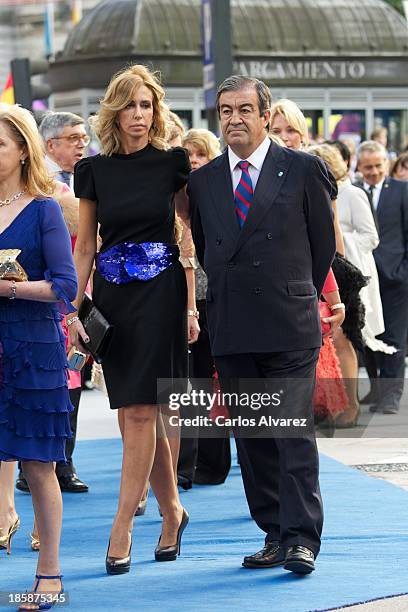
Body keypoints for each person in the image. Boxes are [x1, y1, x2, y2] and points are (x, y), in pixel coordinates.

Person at [188, 76, 337, 574]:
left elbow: (321, 247)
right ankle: (274, 532)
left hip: (289, 323)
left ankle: (301, 539)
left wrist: (296, 290)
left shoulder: (303, 168)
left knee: (291, 432)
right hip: (232, 328)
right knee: (253, 439)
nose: (235, 118)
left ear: (266, 114)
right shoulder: (204, 181)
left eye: (245, 109)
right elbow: (211, 245)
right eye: (226, 110)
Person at [70, 64, 189, 574]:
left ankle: (122, 526)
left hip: (161, 297)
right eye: (131, 105)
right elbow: (85, 247)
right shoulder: (94, 171)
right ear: (114, 111)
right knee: (138, 415)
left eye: (148, 105)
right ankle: (172, 513)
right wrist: (71, 307)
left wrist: (195, 302)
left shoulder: (174, 164)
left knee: (143, 413)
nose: (140, 115)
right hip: (114, 300)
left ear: (156, 111)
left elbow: (196, 234)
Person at [0, 104, 77, 606]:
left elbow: (66, 286)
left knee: (39, 464)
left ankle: (49, 570)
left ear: (23, 150)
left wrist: (8, 290)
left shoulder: (44, 208)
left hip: (32, 350)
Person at [15, 111, 89, 495]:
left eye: (83, 137)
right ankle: (39, 465)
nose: (82, 144)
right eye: (73, 137)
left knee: (70, 378)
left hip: (74, 297)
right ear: (47, 145)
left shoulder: (75, 186)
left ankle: (61, 462)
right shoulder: (47, 195)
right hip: (44, 306)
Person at [270, 100, 348, 426]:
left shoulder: (312, 172)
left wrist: (335, 292)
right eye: (277, 130)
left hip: (308, 286)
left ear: (303, 135)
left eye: (291, 131)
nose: (285, 138)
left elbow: (327, 239)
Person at [177, 128, 232, 488]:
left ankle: (215, 462)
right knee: (189, 383)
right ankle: (185, 463)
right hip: (186, 302)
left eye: (201, 155)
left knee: (220, 382)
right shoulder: (176, 195)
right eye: (189, 155)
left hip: (221, 299)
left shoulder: (220, 193)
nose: (195, 161)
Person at [355, 141, 408, 414]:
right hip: (365, 278)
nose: (373, 171)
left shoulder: (401, 190)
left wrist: (403, 271)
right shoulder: (354, 191)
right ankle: (376, 390)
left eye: (377, 166)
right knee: (369, 335)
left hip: (395, 278)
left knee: (394, 338)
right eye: (368, 167)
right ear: (359, 167)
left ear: (385, 164)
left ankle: (391, 396)